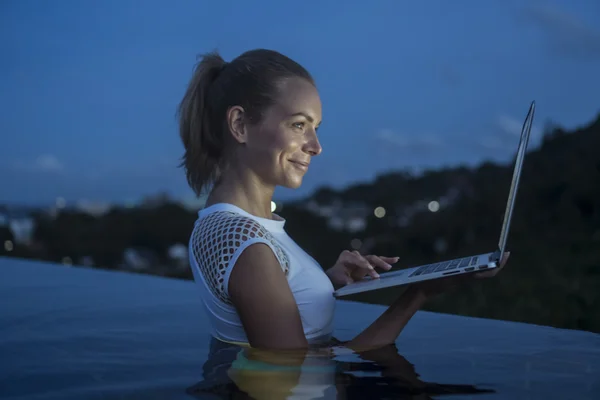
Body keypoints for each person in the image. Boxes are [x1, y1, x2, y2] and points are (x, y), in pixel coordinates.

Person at [177, 48, 509, 352]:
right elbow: (299, 375)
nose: (315, 146)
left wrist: (325, 280)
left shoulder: (230, 227)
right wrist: (418, 294)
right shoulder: (247, 243)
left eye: (316, 128)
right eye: (298, 125)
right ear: (239, 125)